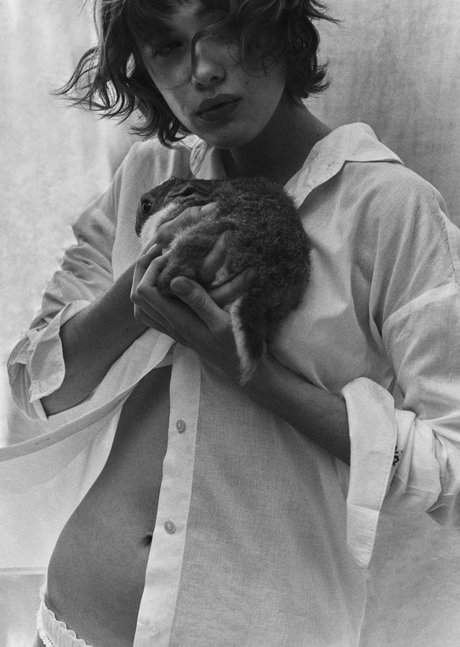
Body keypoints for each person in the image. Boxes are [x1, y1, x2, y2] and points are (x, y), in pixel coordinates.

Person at [4, 0, 460, 645]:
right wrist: (136, 295)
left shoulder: (389, 209)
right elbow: (36, 390)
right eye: (168, 46)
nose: (203, 71)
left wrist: (250, 371)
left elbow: (449, 471)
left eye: (227, 30)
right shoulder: (150, 176)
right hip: (75, 621)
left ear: (281, 26)